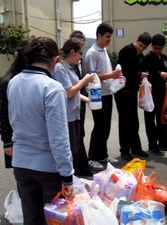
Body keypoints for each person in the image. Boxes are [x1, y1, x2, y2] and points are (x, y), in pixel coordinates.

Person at [7, 37, 74, 225]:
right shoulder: (52, 87)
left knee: (31, 217)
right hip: (47, 167)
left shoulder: (14, 82)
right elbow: (59, 138)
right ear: (55, 59)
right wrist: (67, 176)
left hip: (21, 162)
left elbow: (14, 120)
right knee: (53, 219)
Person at [53, 38, 95, 176]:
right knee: (70, 151)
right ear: (72, 52)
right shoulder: (60, 67)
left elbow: (74, 92)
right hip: (67, 117)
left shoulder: (69, 67)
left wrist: (88, 100)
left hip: (74, 115)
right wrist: (85, 80)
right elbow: (68, 92)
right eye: (80, 53)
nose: (81, 57)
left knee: (75, 149)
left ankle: (73, 181)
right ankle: (68, 181)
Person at [85, 22, 122, 167]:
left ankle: (103, 155)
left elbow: (106, 73)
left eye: (110, 37)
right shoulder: (92, 53)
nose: (109, 40)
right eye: (107, 37)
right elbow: (91, 76)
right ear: (99, 36)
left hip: (107, 93)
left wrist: (115, 76)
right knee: (99, 126)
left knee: (106, 126)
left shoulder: (103, 50)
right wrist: (111, 75)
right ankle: (92, 157)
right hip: (97, 95)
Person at [69, 30, 104, 173]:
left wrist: (89, 99)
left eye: (82, 45)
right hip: (71, 104)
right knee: (74, 137)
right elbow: (70, 90)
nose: (81, 49)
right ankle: (77, 168)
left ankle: (81, 165)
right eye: (78, 45)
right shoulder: (63, 65)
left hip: (80, 101)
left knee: (80, 134)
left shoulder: (81, 60)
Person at [115, 32, 152, 161]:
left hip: (132, 91)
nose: (141, 49)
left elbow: (141, 68)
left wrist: (143, 75)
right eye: (140, 45)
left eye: (144, 47)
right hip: (123, 92)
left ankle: (136, 148)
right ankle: (124, 150)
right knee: (125, 122)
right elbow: (123, 72)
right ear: (136, 40)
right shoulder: (126, 51)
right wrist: (138, 75)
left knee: (134, 122)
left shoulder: (140, 55)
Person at [0, 39, 30, 168]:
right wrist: (7, 141)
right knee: (21, 172)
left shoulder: (27, 77)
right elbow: (3, 113)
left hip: (28, 135)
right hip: (15, 136)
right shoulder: (9, 81)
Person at [143, 34, 167, 154]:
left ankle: (163, 142)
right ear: (152, 46)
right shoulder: (147, 58)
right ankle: (153, 145)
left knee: (164, 118)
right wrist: (159, 73)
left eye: (159, 48)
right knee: (150, 120)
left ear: (163, 47)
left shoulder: (165, 58)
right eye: (155, 48)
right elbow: (146, 73)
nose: (157, 50)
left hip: (164, 93)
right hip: (151, 94)